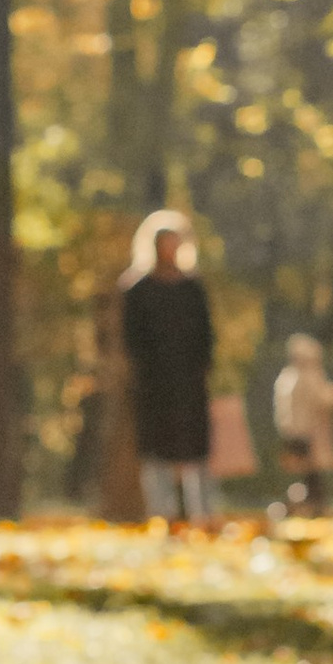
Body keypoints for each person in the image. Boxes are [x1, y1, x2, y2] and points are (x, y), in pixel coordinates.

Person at [119, 211, 216, 528]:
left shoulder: (192, 288)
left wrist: (200, 370)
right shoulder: (137, 289)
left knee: (195, 450)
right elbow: (131, 339)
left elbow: (206, 336)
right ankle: (162, 515)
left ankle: (202, 514)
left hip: (190, 382)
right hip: (153, 384)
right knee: (156, 451)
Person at [272, 332, 333, 512]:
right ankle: (313, 504)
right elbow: (323, 399)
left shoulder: (286, 377)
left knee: (300, 471)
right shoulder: (308, 376)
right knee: (311, 472)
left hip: (292, 431)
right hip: (309, 431)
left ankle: (298, 503)